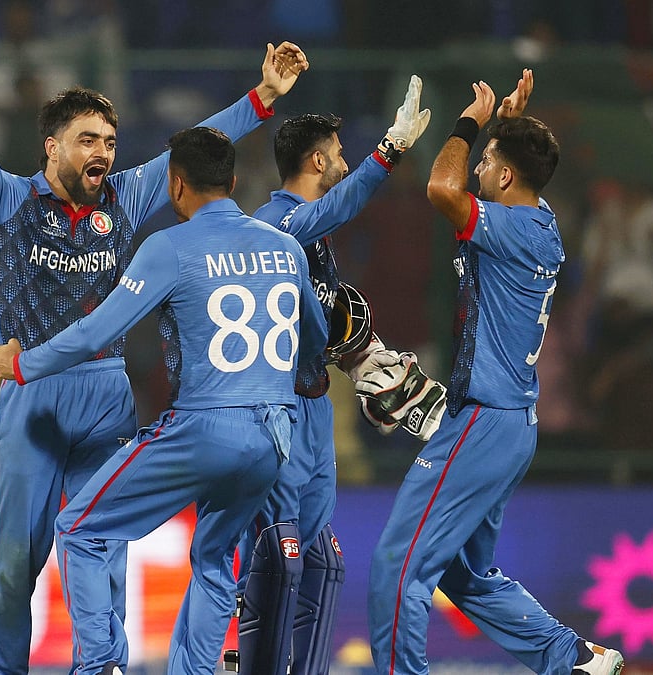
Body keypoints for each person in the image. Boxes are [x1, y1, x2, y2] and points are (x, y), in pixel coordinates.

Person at [0, 29, 309, 674]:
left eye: (109, 141)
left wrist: (263, 96)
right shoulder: (9, 201)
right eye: (87, 141)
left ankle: (103, 665)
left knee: (103, 547)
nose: (102, 152)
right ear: (52, 147)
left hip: (107, 394)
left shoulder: (127, 198)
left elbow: (197, 149)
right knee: (17, 560)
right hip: (35, 401)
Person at [0, 126, 326, 675]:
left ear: (175, 185)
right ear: (234, 181)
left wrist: (23, 364)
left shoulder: (169, 246)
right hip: (274, 438)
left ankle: (99, 667)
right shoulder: (286, 248)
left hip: (205, 428)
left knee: (80, 527)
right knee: (215, 558)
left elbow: (93, 333)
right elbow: (312, 340)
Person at [360, 69, 625, 674]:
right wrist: (505, 127)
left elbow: (439, 188)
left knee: (398, 565)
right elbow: (504, 176)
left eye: (487, 164)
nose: (474, 170)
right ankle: (575, 660)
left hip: (482, 423)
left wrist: (469, 123)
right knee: (465, 574)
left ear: (506, 176)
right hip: (508, 425)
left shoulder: (506, 228)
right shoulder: (543, 223)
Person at [230, 77, 447, 675]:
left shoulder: (316, 237)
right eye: (341, 154)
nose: (346, 163)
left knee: (322, 562)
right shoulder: (276, 227)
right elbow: (340, 204)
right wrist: (391, 149)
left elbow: (316, 324)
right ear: (318, 160)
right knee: (279, 558)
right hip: (275, 413)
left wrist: (361, 358)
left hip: (316, 407)